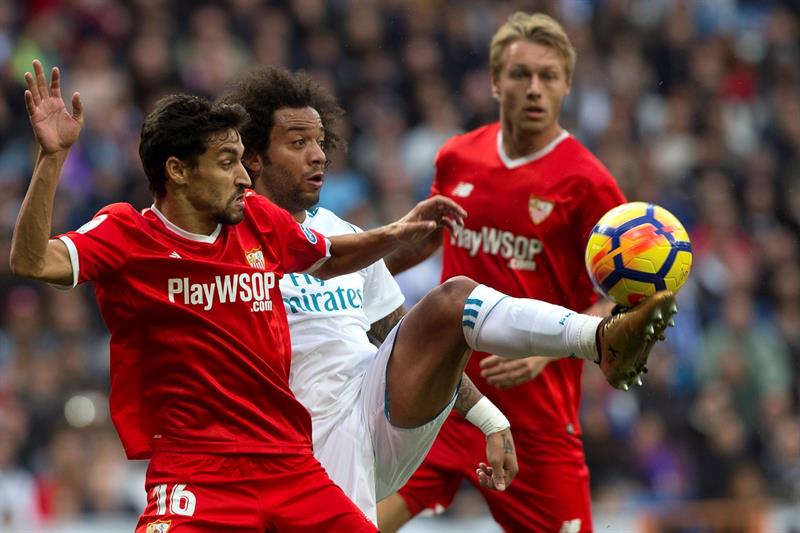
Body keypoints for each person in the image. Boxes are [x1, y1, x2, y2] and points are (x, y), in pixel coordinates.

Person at [9, 59, 466, 532]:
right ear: (178, 170)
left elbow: (331, 257)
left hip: (289, 463)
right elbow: (31, 262)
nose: (245, 179)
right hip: (194, 470)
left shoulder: (259, 221)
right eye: (228, 163)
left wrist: (398, 230)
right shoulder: (125, 232)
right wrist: (52, 159)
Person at [219, 66, 677, 525]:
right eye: (299, 144)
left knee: (450, 300)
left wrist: (490, 420)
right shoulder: (225, 245)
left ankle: (601, 339)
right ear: (254, 157)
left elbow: (408, 339)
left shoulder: (341, 231)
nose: (318, 156)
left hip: (375, 415)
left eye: (320, 142)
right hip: (292, 440)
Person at [378, 12, 650, 533]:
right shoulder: (458, 157)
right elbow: (430, 239)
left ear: (567, 85)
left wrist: (547, 350)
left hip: (534, 418)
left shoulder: (588, 184)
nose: (534, 88)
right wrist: (351, 275)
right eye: (520, 74)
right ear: (495, 80)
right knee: (352, 521)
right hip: (442, 394)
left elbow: (626, 303)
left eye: (548, 76)